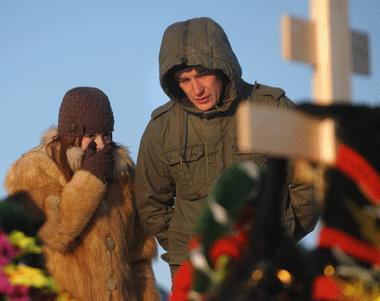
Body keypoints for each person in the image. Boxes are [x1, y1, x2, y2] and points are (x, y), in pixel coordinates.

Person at [135, 17, 319, 277]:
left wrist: (282, 234)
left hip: (263, 265)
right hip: (196, 275)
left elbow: (308, 181)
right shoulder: (162, 129)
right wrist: (188, 246)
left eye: (202, 74)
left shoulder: (268, 108)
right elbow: (151, 205)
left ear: (222, 67)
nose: (196, 89)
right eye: (184, 80)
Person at [5, 87, 160, 301]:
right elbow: (58, 233)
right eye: (91, 136)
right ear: (70, 134)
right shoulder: (36, 170)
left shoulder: (121, 172)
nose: (101, 144)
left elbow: (139, 255)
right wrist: (91, 179)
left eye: (106, 135)